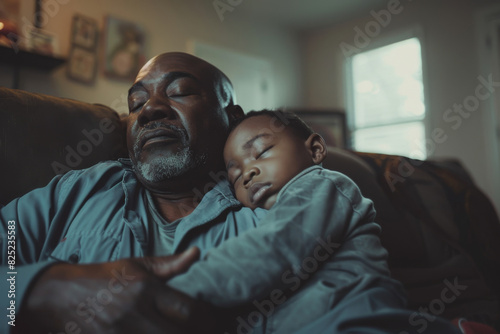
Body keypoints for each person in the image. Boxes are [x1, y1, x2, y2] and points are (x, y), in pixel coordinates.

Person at [0, 52, 460, 334]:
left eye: (180, 92)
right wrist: (35, 292)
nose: (151, 109)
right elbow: (9, 257)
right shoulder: (74, 194)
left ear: (230, 114)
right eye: (136, 103)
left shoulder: (269, 201)